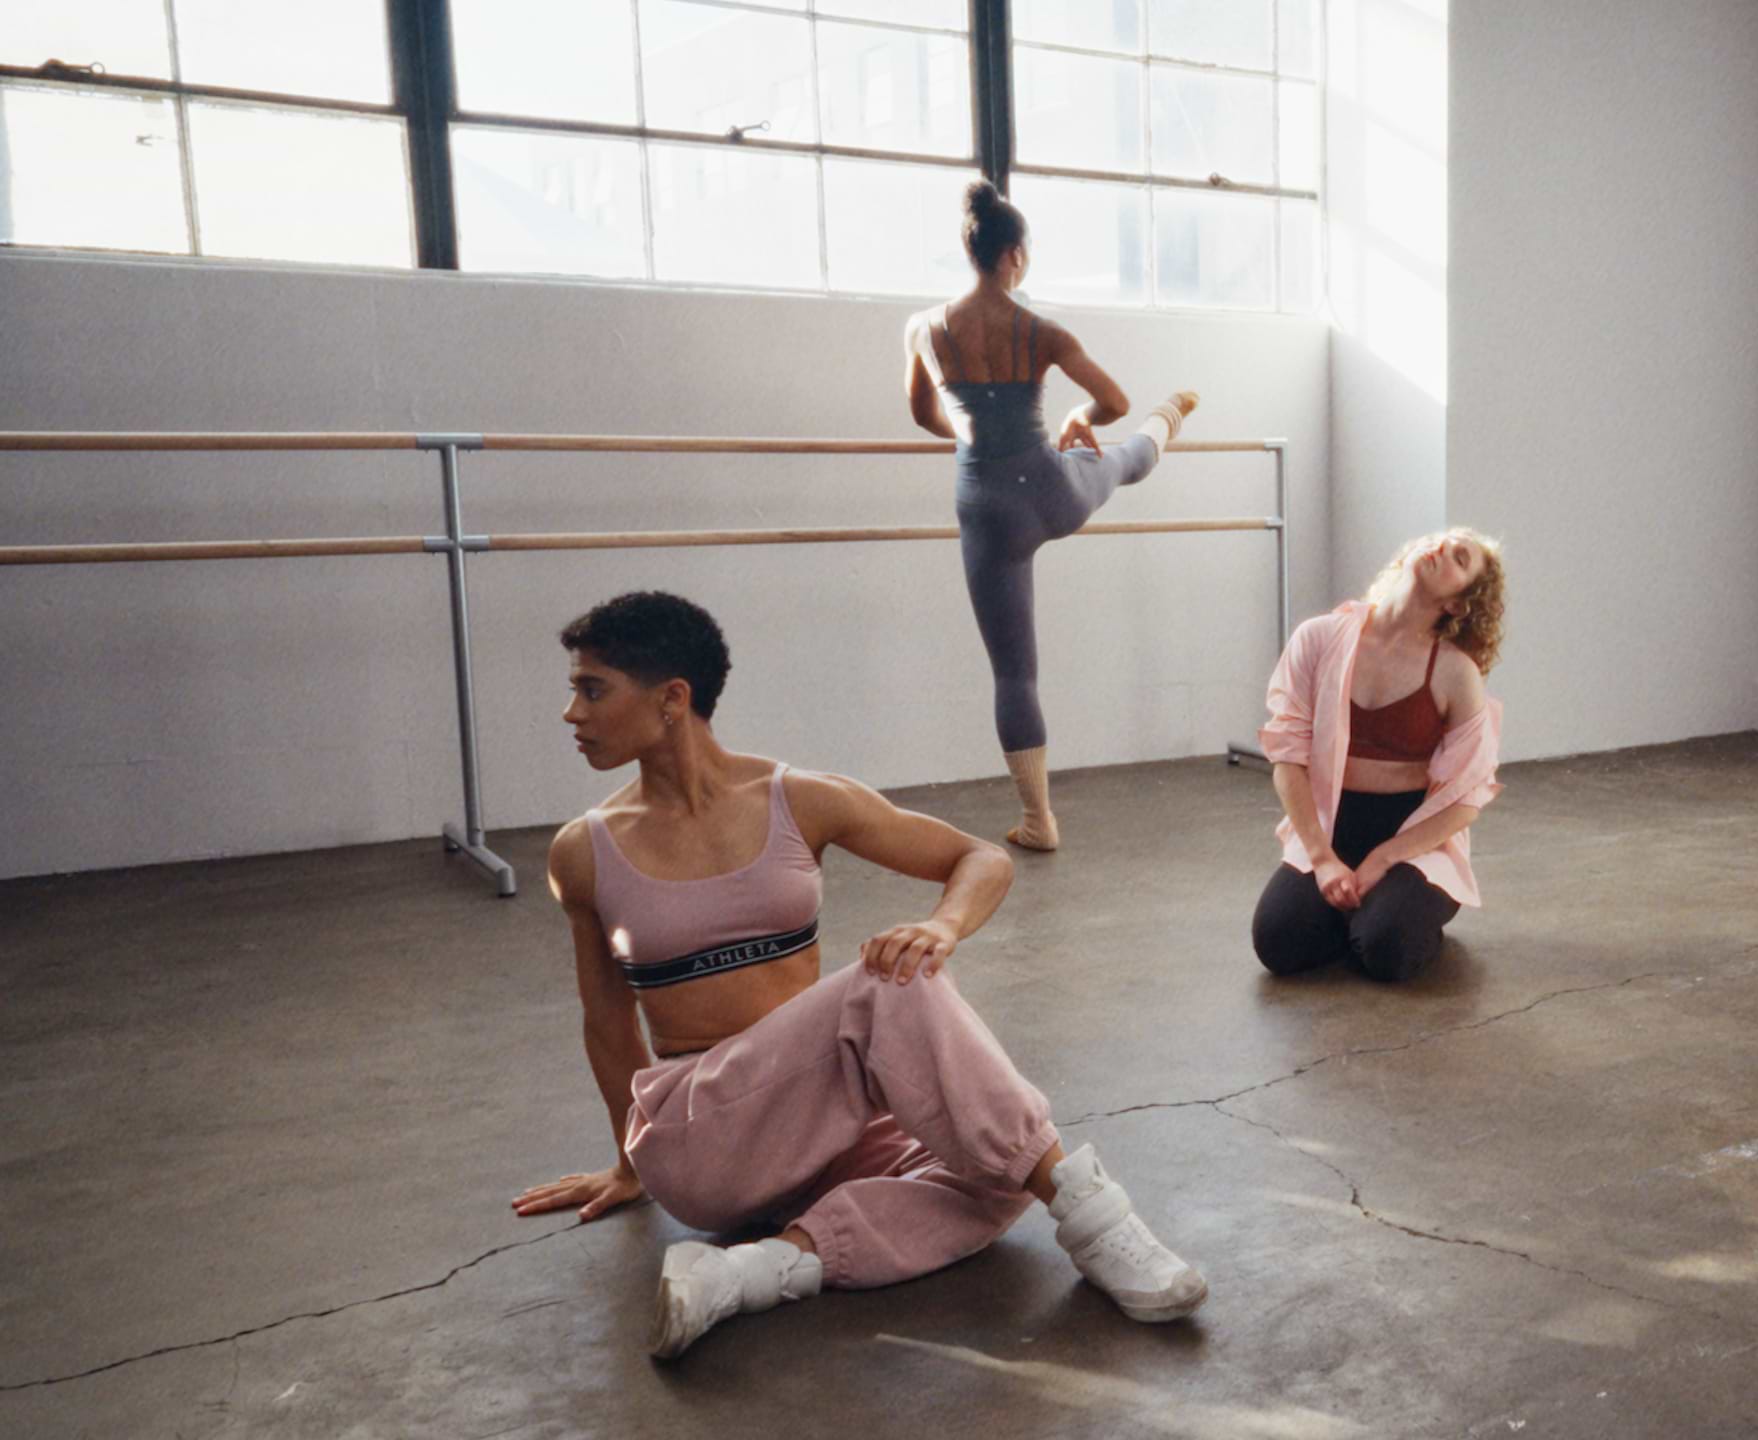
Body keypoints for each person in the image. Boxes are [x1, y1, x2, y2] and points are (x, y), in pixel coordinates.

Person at [511, 591, 1206, 1359]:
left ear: (673, 698)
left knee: (1001, 1172)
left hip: (826, 1128)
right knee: (889, 984)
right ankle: (1102, 1222)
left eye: (592, 688)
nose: (572, 713)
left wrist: (941, 926)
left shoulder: (797, 800)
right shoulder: (585, 851)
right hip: (700, 1134)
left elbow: (980, 857)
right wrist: (629, 1164)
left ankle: (758, 1271)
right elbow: (606, 1021)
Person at [903, 181, 1199, 851]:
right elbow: (1112, 399)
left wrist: (972, 434)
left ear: (969, 249)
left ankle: (1039, 821)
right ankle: (1172, 413)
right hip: (1048, 490)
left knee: (1013, 673)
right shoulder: (1041, 331)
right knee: (1123, 458)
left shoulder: (923, 328)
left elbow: (923, 413)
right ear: (1015, 255)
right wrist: (1076, 417)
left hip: (985, 509)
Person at [1253, 530, 1507, 983]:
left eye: (1460, 556)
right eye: (1441, 539)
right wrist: (1323, 857)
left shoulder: (1455, 672)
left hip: (1413, 838)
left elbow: (1467, 800)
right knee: (1277, 943)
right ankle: (1365, 913)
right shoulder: (1318, 638)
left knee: (1388, 951)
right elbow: (1287, 757)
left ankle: (1393, 914)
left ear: (1457, 604)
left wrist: (1385, 859)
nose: (1441, 547)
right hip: (1332, 828)